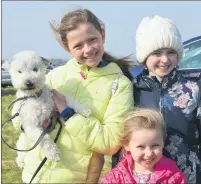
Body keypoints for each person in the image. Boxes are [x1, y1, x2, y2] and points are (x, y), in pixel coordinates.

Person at [14, 8, 134, 183]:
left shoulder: (120, 84)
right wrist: (30, 125)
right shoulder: (54, 76)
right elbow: (20, 117)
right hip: (34, 175)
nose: (88, 50)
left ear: (103, 35)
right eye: (78, 46)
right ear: (68, 49)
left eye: (92, 40)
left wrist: (67, 114)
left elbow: (110, 142)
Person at [128, 15, 201, 183]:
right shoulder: (132, 89)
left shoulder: (193, 89)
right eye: (156, 53)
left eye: (171, 52)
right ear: (144, 56)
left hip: (186, 175)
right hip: (142, 176)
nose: (165, 59)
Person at [101, 108, 186, 183]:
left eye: (155, 145)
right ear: (126, 145)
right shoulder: (116, 178)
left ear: (163, 142)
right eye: (141, 147)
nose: (149, 153)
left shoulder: (173, 175)